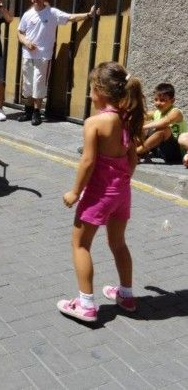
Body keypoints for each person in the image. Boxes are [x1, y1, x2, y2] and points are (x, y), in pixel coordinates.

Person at [57, 62, 145, 323]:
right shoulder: (126, 119)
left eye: (91, 90)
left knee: (80, 244)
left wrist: (75, 192)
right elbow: (133, 161)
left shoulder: (94, 122)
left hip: (98, 195)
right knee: (118, 243)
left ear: (99, 91)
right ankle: (126, 295)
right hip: (122, 194)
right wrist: (120, 182)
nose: (90, 95)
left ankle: (85, 305)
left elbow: (88, 161)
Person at [18, 0, 98, 126]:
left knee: (39, 84)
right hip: (27, 55)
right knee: (28, 84)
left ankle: (37, 113)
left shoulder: (52, 13)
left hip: (43, 56)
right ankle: (28, 111)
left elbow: (70, 17)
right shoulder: (27, 14)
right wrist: (26, 41)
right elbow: (20, 32)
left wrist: (88, 15)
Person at [136, 83, 187, 163]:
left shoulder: (176, 112)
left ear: (172, 100)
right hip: (160, 150)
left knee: (164, 129)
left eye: (162, 100)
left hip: (176, 153)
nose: (158, 103)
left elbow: (166, 121)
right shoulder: (156, 113)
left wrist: (143, 127)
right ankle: (133, 150)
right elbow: (141, 116)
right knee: (144, 122)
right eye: (156, 100)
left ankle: (136, 152)